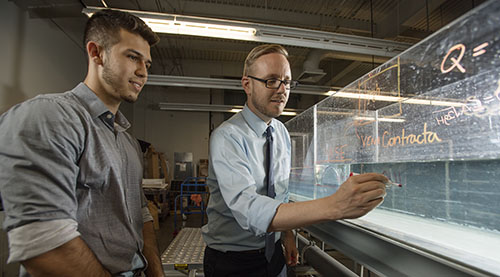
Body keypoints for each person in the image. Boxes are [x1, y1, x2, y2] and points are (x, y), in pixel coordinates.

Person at [0, 9, 164, 277]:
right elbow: (45, 246)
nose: (142, 72)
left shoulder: (126, 140)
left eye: (147, 64)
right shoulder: (50, 117)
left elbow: (141, 214)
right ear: (96, 53)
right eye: (132, 57)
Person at [202, 44, 388, 277]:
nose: (282, 90)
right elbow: (248, 209)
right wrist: (335, 205)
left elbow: (281, 191)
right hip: (233, 261)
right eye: (271, 80)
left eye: (287, 82)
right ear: (247, 84)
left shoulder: (280, 132)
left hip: (273, 253)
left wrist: (287, 234)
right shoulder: (227, 137)